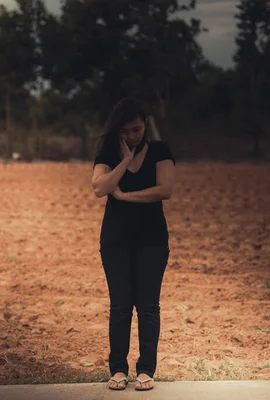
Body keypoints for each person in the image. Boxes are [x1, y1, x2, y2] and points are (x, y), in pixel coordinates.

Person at [91, 97, 176, 391]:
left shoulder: (160, 151)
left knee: (148, 306)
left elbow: (164, 190)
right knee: (120, 306)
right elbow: (100, 187)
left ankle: (146, 370)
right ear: (116, 130)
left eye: (137, 129)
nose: (132, 136)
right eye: (125, 131)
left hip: (152, 240)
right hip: (115, 240)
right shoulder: (108, 153)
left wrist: (126, 196)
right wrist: (125, 161)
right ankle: (117, 370)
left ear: (145, 125)